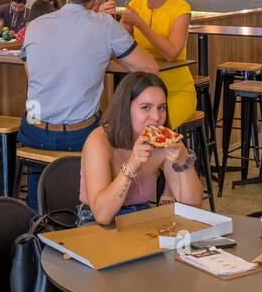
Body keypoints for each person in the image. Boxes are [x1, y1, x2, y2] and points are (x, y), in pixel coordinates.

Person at [18, 0, 158, 209]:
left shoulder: (35, 25)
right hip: (77, 136)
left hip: (34, 133)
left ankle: (36, 218)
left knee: (38, 172)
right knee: (115, 132)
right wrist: (107, 57)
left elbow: (30, 73)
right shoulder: (104, 26)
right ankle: (95, 209)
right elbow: (149, 68)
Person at [78, 72, 202, 226]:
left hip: (141, 217)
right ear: (125, 109)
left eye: (161, 108)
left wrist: (185, 162)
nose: (156, 117)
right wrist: (132, 164)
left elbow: (193, 207)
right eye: (146, 107)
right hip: (95, 223)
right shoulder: (98, 141)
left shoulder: (163, 140)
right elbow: (102, 216)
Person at [109, 0, 197, 127]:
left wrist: (140, 24)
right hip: (142, 92)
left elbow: (171, 53)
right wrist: (104, 21)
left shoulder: (181, 8)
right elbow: (118, 45)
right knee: (120, 127)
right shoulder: (135, 4)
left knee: (155, 128)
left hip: (175, 90)